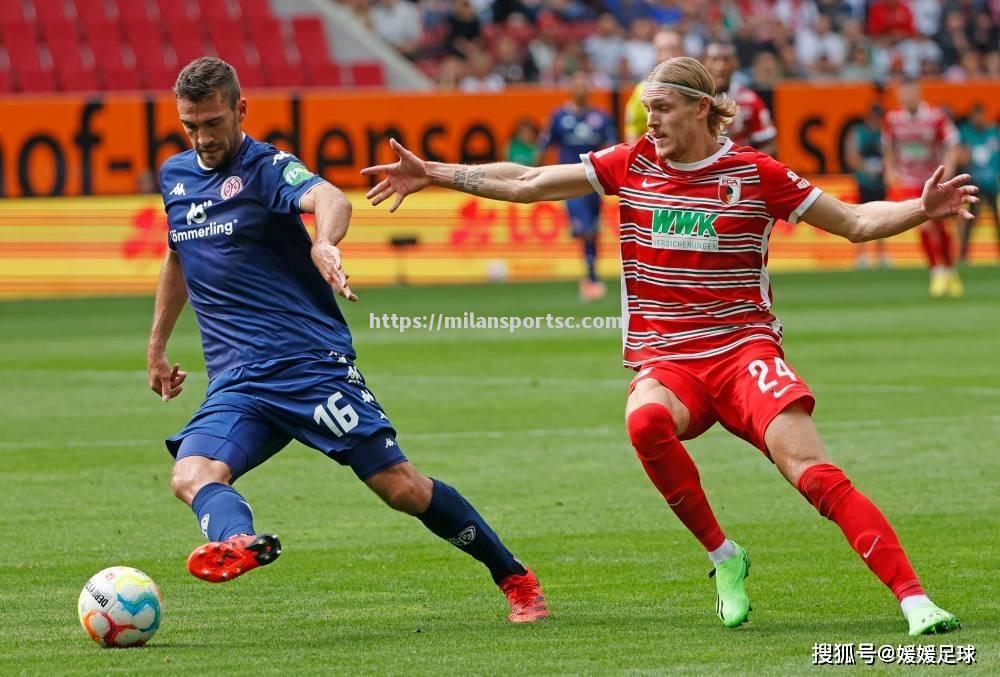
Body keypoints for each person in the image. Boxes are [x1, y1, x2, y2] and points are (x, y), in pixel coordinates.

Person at [361, 56, 976, 637]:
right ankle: (724, 556)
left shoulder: (756, 174)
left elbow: (856, 223)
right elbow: (527, 180)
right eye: (646, 108)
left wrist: (921, 210)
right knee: (646, 420)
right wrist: (436, 173)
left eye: (661, 107)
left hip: (744, 353)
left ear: (702, 108)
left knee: (815, 476)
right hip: (670, 361)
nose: (649, 120)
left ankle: (916, 601)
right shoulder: (632, 162)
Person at [148, 57, 547, 624]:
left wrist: (324, 243)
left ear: (241, 110)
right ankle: (238, 543)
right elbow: (178, 256)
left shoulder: (265, 168)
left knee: (402, 488)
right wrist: (156, 347)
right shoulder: (176, 178)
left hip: (308, 366)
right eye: (191, 126)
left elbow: (332, 198)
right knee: (190, 476)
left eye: (213, 123)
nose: (203, 137)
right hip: (238, 382)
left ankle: (515, 577)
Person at [538, 71, 617, 301]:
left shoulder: (601, 118)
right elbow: (545, 144)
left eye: (585, 86)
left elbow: (610, 146)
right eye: (578, 86)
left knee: (593, 230)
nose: (582, 90)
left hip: (594, 182)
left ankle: (591, 275)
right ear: (572, 90)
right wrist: (533, 172)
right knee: (587, 230)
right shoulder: (559, 116)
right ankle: (591, 279)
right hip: (569, 181)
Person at [883, 79, 963, 296]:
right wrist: (890, 170)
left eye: (907, 93)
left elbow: (953, 143)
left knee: (941, 226)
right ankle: (936, 271)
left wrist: (948, 170)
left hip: (933, 180)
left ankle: (949, 268)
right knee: (923, 223)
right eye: (901, 94)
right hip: (909, 180)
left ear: (917, 93)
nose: (904, 97)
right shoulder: (893, 119)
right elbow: (888, 146)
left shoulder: (935, 117)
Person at [704, 40, 777, 155]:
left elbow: (768, 143)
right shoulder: (695, 100)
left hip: (740, 167)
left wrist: (749, 163)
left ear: (735, 64)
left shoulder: (749, 100)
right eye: (714, 60)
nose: (720, 66)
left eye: (726, 60)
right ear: (704, 64)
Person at [845, 103, 891, 268]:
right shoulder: (859, 133)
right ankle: (862, 255)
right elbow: (852, 156)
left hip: (880, 182)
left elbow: (891, 154)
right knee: (861, 217)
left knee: (883, 217)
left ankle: (882, 254)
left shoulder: (885, 133)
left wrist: (885, 170)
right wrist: (867, 168)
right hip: (865, 181)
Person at [624, 29, 684, 143]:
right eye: (662, 50)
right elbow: (633, 130)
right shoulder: (642, 89)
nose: (668, 54)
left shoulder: (696, 85)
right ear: (656, 54)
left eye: (673, 48)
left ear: (682, 51)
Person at [957, 103, 999, 262]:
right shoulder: (966, 134)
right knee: (970, 220)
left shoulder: (993, 133)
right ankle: (963, 255)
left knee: (997, 221)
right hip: (975, 185)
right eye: (976, 115)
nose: (979, 119)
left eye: (981, 115)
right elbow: (962, 158)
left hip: (992, 185)